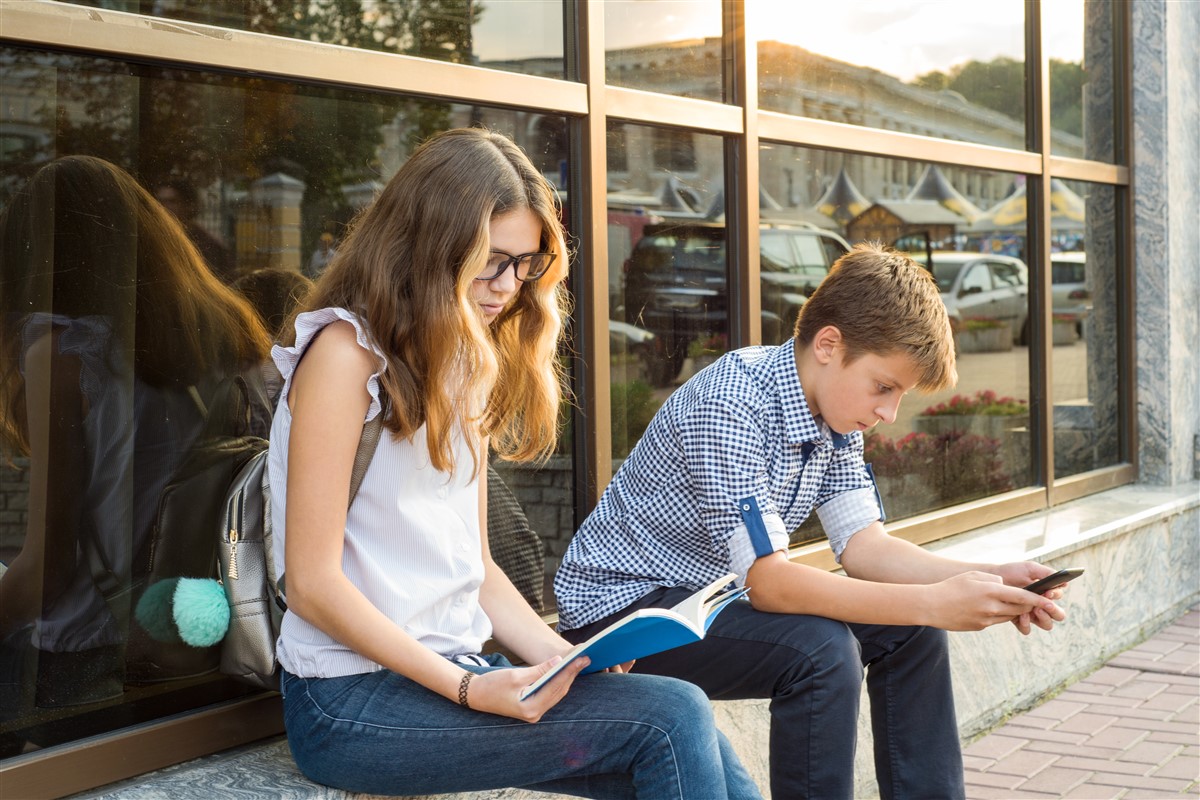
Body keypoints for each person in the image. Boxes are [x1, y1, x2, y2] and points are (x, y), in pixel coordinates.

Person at [269, 127, 761, 799]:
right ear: (426, 245)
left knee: (690, 738)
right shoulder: (344, 356)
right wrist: (470, 688)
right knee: (672, 716)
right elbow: (312, 586)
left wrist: (562, 658)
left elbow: (479, 571)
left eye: (525, 264)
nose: (509, 287)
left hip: (446, 671)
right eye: (490, 261)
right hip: (349, 703)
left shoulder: (461, 362)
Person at [554, 242, 1069, 800]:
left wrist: (990, 577)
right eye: (884, 387)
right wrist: (934, 600)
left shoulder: (835, 416)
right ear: (829, 345)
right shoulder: (731, 403)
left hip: (705, 601)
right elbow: (771, 584)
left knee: (914, 632)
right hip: (624, 618)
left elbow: (866, 548)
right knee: (821, 651)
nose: (888, 413)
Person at [0, 156, 270, 720]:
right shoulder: (225, 333)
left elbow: (48, 567)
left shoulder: (64, 353)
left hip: (88, 654)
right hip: (208, 633)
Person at [154, 178, 237, 283]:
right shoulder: (154, 238)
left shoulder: (207, 244)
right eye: (160, 201)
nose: (164, 207)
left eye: (172, 201)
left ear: (188, 205)